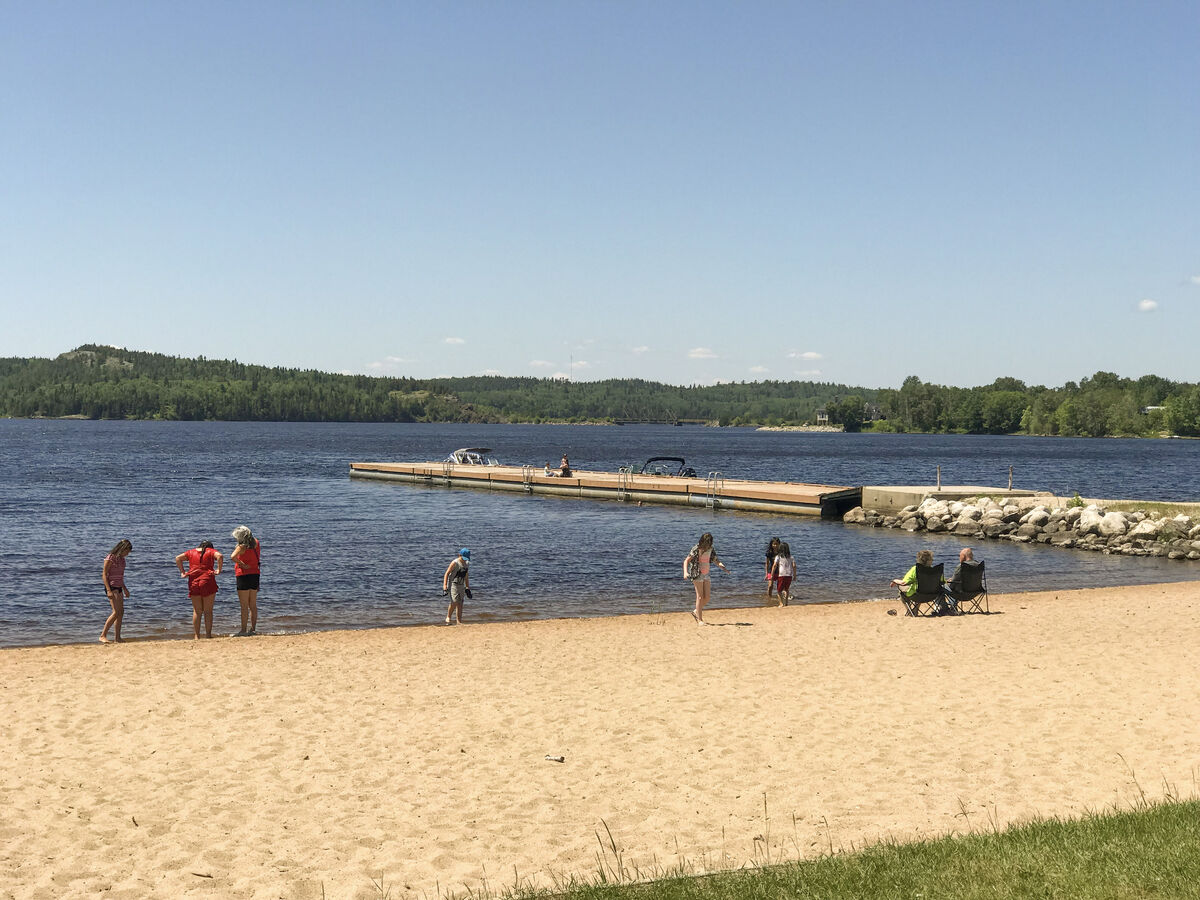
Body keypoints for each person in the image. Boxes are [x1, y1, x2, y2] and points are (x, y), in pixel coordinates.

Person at [176, 540, 223, 639]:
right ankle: (208, 635)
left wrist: (182, 572)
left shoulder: (191, 552)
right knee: (208, 611)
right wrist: (219, 570)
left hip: (193, 582)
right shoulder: (210, 551)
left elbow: (178, 558)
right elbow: (220, 556)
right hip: (207, 581)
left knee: (197, 611)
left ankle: (197, 636)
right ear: (210, 547)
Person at [682, 532, 730, 625]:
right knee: (699, 597)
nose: (708, 545)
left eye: (709, 543)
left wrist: (723, 567)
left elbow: (715, 560)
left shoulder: (711, 549)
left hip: (706, 574)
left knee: (707, 597)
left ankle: (696, 611)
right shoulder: (696, 548)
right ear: (703, 542)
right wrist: (685, 572)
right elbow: (686, 561)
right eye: (707, 543)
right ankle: (700, 620)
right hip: (696, 573)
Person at [230, 525, 261, 636]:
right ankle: (253, 629)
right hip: (255, 574)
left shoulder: (241, 546)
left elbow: (232, 556)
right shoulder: (256, 542)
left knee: (244, 606)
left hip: (243, 575)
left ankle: (243, 630)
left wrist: (241, 564)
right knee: (253, 604)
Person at [100, 539, 132, 643]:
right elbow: (104, 574)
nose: (128, 553)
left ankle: (117, 637)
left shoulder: (122, 560)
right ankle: (103, 635)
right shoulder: (110, 557)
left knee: (121, 612)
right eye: (127, 551)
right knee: (116, 611)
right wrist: (108, 590)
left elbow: (120, 577)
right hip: (111, 586)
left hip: (119, 586)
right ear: (122, 548)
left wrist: (125, 589)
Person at [442, 548, 471, 625]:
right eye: (463, 558)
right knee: (454, 601)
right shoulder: (455, 563)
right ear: (459, 555)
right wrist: (445, 585)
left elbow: (466, 576)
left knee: (460, 602)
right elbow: (447, 573)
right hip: (453, 584)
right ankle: (448, 617)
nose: (464, 560)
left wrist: (467, 588)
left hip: (461, 585)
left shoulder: (467, 563)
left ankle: (459, 621)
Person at [946, 547, 980, 612]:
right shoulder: (978, 565)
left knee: (943, 586)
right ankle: (952, 607)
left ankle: (947, 608)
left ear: (964, 556)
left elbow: (953, 582)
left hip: (962, 593)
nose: (959, 558)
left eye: (960, 556)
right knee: (956, 585)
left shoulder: (961, 566)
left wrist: (948, 581)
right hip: (976, 591)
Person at [771, 541, 796, 606]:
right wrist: (795, 575)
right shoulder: (791, 557)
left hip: (782, 575)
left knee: (779, 591)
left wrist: (772, 574)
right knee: (786, 589)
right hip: (789, 575)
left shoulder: (778, 557)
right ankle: (786, 602)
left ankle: (781, 603)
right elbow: (794, 566)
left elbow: (774, 565)